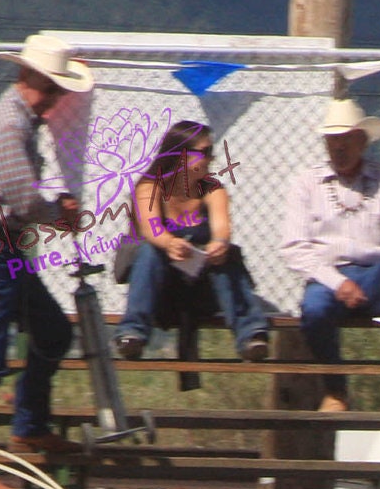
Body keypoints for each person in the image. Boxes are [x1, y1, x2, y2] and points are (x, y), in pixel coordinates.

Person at [0, 34, 93, 489]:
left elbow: (23, 201)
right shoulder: (10, 126)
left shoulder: (19, 123)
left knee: (51, 331)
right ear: (34, 80)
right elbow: (23, 201)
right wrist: (58, 212)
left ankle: (28, 424)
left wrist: (50, 210)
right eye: (52, 89)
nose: (55, 99)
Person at [282, 97, 380, 411]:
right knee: (313, 310)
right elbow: (294, 247)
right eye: (332, 141)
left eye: (345, 140)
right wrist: (337, 283)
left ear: (362, 141)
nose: (338, 148)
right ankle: (336, 390)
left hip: (376, 277)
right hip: (329, 280)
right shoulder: (306, 183)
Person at [112, 120, 270, 364]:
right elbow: (151, 229)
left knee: (224, 256)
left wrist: (219, 244)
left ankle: (251, 336)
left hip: (203, 290)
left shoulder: (213, 189)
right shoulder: (148, 186)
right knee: (149, 251)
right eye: (205, 152)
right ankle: (132, 333)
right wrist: (169, 244)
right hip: (161, 292)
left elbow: (221, 228)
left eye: (211, 152)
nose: (211, 159)